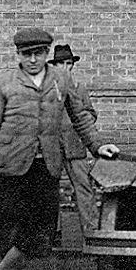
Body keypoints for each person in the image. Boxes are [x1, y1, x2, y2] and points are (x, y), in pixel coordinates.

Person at [0, 28, 119, 270]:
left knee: (41, 236)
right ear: (18, 55)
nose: (33, 59)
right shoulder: (3, 83)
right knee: (8, 235)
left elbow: (79, 118)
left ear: (48, 53)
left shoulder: (62, 81)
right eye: (27, 54)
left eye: (39, 53)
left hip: (45, 168)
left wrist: (97, 145)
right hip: (7, 169)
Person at [47, 44, 98, 246]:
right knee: (50, 190)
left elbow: (90, 114)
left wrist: (80, 125)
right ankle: (52, 235)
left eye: (69, 64)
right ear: (54, 66)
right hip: (52, 147)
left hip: (75, 146)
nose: (66, 68)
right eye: (61, 64)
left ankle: (91, 234)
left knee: (83, 189)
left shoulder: (79, 88)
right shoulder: (47, 89)